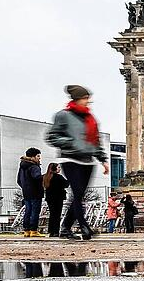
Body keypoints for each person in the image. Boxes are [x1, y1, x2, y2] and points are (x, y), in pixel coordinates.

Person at [46, 85, 110, 241]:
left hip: (87, 161)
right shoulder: (63, 115)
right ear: (77, 99)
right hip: (70, 159)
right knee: (78, 192)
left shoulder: (90, 118)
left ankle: (66, 227)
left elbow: (95, 141)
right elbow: (52, 136)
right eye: (85, 98)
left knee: (79, 195)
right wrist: (70, 142)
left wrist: (102, 159)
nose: (88, 101)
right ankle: (84, 226)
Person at [17, 147, 44, 237]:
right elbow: (37, 177)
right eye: (38, 156)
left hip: (26, 193)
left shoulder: (22, 166)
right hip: (36, 192)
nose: (39, 158)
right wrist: (45, 178)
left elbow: (18, 180)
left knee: (28, 211)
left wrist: (25, 187)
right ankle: (34, 230)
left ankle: (26, 230)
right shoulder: (34, 166)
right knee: (35, 211)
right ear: (32, 157)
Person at [43, 163, 68, 237]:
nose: (59, 169)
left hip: (49, 198)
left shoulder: (46, 177)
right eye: (58, 167)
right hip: (58, 197)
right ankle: (56, 231)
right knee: (57, 215)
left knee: (52, 214)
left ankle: (51, 231)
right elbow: (66, 184)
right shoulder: (58, 177)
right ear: (55, 169)